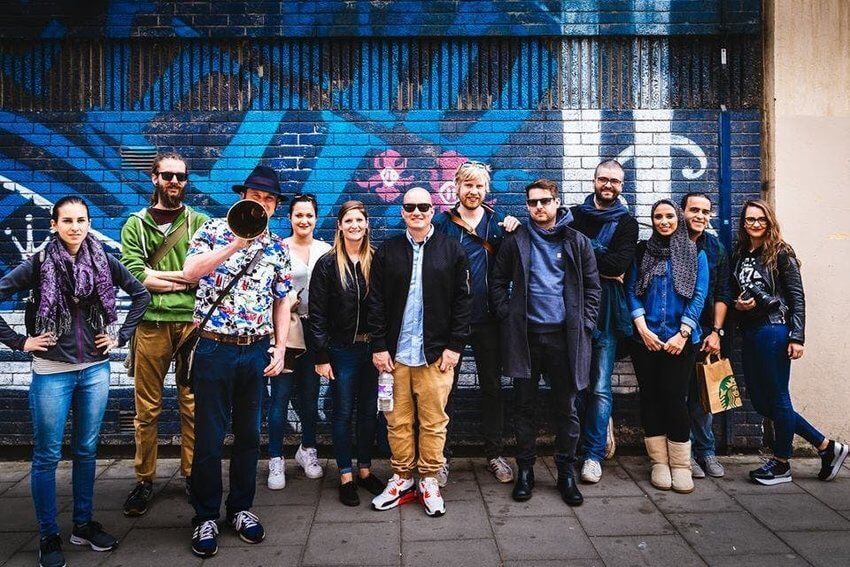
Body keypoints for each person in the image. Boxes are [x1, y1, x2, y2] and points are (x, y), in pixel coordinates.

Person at [0, 196, 150, 567]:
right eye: (67, 220)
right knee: (47, 455)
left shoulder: (103, 260)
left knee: (86, 451)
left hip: (95, 370)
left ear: (88, 223)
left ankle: (82, 524)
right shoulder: (37, 264)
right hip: (52, 371)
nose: (75, 227)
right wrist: (21, 342)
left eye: (81, 220)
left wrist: (120, 336)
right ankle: (49, 535)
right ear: (54, 225)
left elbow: (141, 293)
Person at [181, 165, 291, 557]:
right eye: (256, 196)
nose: (262, 203)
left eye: (269, 199)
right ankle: (206, 515)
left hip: (255, 349)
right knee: (209, 437)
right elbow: (190, 273)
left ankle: (241, 509)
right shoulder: (212, 231)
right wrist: (236, 244)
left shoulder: (278, 247)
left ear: (276, 207)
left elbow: (283, 301)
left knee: (248, 437)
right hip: (214, 349)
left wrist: (279, 348)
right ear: (242, 197)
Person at [490, 179, 600, 506]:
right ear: (527, 206)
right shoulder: (516, 241)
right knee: (524, 407)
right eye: (533, 202)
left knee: (566, 408)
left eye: (545, 201)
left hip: (564, 338)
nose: (539, 207)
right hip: (525, 338)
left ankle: (566, 472)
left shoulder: (577, 241)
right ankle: (526, 471)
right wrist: (507, 314)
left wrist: (585, 324)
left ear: (557, 202)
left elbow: (593, 288)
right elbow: (497, 281)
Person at [368, 187, 471, 518]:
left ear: (432, 210)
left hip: (435, 356)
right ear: (402, 212)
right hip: (395, 356)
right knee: (396, 421)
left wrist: (455, 347)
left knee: (433, 422)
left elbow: (462, 302)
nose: (416, 212)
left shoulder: (450, 250)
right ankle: (402, 478)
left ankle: (428, 479)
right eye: (409, 206)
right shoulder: (388, 250)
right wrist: (379, 346)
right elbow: (377, 303)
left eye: (422, 206)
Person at [731, 199, 848, 485]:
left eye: (761, 219)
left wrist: (797, 336)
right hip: (750, 331)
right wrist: (738, 306)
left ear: (770, 222)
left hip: (774, 330)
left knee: (778, 397)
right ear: (743, 223)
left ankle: (782, 463)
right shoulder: (740, 253)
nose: (755, 224)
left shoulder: (781, 252)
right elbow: (736, 291)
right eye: (750, 220)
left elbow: (797, 297)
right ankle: (826, 447)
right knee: (760, 402)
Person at [120, 153, 209, 516]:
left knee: (193, 406)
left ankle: (192, 475)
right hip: (150, 325)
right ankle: (144, 478)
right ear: (154, 177)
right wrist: (181, 279)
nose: (175, 182)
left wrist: (165, 279)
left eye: (181, 177)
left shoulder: (200, 223)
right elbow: (134, 275)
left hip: (191, 327)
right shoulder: (135, 225)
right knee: (147, 409)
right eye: (168, 176)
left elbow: (203, 274)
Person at [433, 161, 519, 486]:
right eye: (467, 185)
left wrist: (517, 226)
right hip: (451, 323)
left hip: (489, 321)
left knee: (492, 389)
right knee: (446, 391)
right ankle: (442, 456)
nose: (473, 191)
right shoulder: (441, 224)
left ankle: (494, 453)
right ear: (456, 186)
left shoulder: (499, 224)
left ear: (487, 189)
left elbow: (517, 262)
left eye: (479, 186)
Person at [625, 199, 708, 494]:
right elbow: (632, 291)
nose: (664, 221)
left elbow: (698, 296)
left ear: (678, 219)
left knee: (675, 398)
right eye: (658, 217)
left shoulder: (696, 253)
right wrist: (643, 329)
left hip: (680, 340)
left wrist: (683, 333)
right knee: (650, 397)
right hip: (645, 339)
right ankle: (659, 463)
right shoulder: (641, 252)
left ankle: (681, 465)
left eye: (669, 216)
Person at [309, 200, 386, 506]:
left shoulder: (376, 261)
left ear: (367, 224)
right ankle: (345, 475)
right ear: (339, 225)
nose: (354, 225)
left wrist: (383, 348)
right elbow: (317, 314)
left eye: (359, 220)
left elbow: (386, 309)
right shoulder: (328, 264)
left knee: (369, 411)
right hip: (341, 350)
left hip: (372, 350)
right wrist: (321, 355)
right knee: (342, 412)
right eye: (348, 220)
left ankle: (365, 470)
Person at [569, 159, 638, 484]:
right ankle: (581, 444)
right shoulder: (573, 215)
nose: (608, 185)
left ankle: (593, 455)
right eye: (603, 179)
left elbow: (620, 262)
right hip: (572, 311)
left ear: (621, 185)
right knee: (575, 385)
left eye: (615, 181)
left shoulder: (627, 223)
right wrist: (599, 255)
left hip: (607, 314)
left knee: (599, 386)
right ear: (594, 181)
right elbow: (568, 261)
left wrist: (586, 252)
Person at [265, 193, 331, 490]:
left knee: (309, 396)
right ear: (289, 218)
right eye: (298, 215)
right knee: (279, 397)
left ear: (316, 218)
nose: (304, 220)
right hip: (287, 333)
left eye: (309, 215)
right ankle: (276, 458)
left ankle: (307, 449)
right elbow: (266, 290)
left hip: (316, 331)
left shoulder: (327, 250)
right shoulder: (278, 249)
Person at [680, 192, 730, 479]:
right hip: (676, 334)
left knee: (703, 396)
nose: (700, 216)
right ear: (683, 211)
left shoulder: (716, 248)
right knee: (678, 395)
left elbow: (723, 292)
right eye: (694, 210)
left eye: (705, 211)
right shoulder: (672, 243)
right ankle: (684, 453)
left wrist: (716, 332)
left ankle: (706, 451)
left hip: (706, 333)